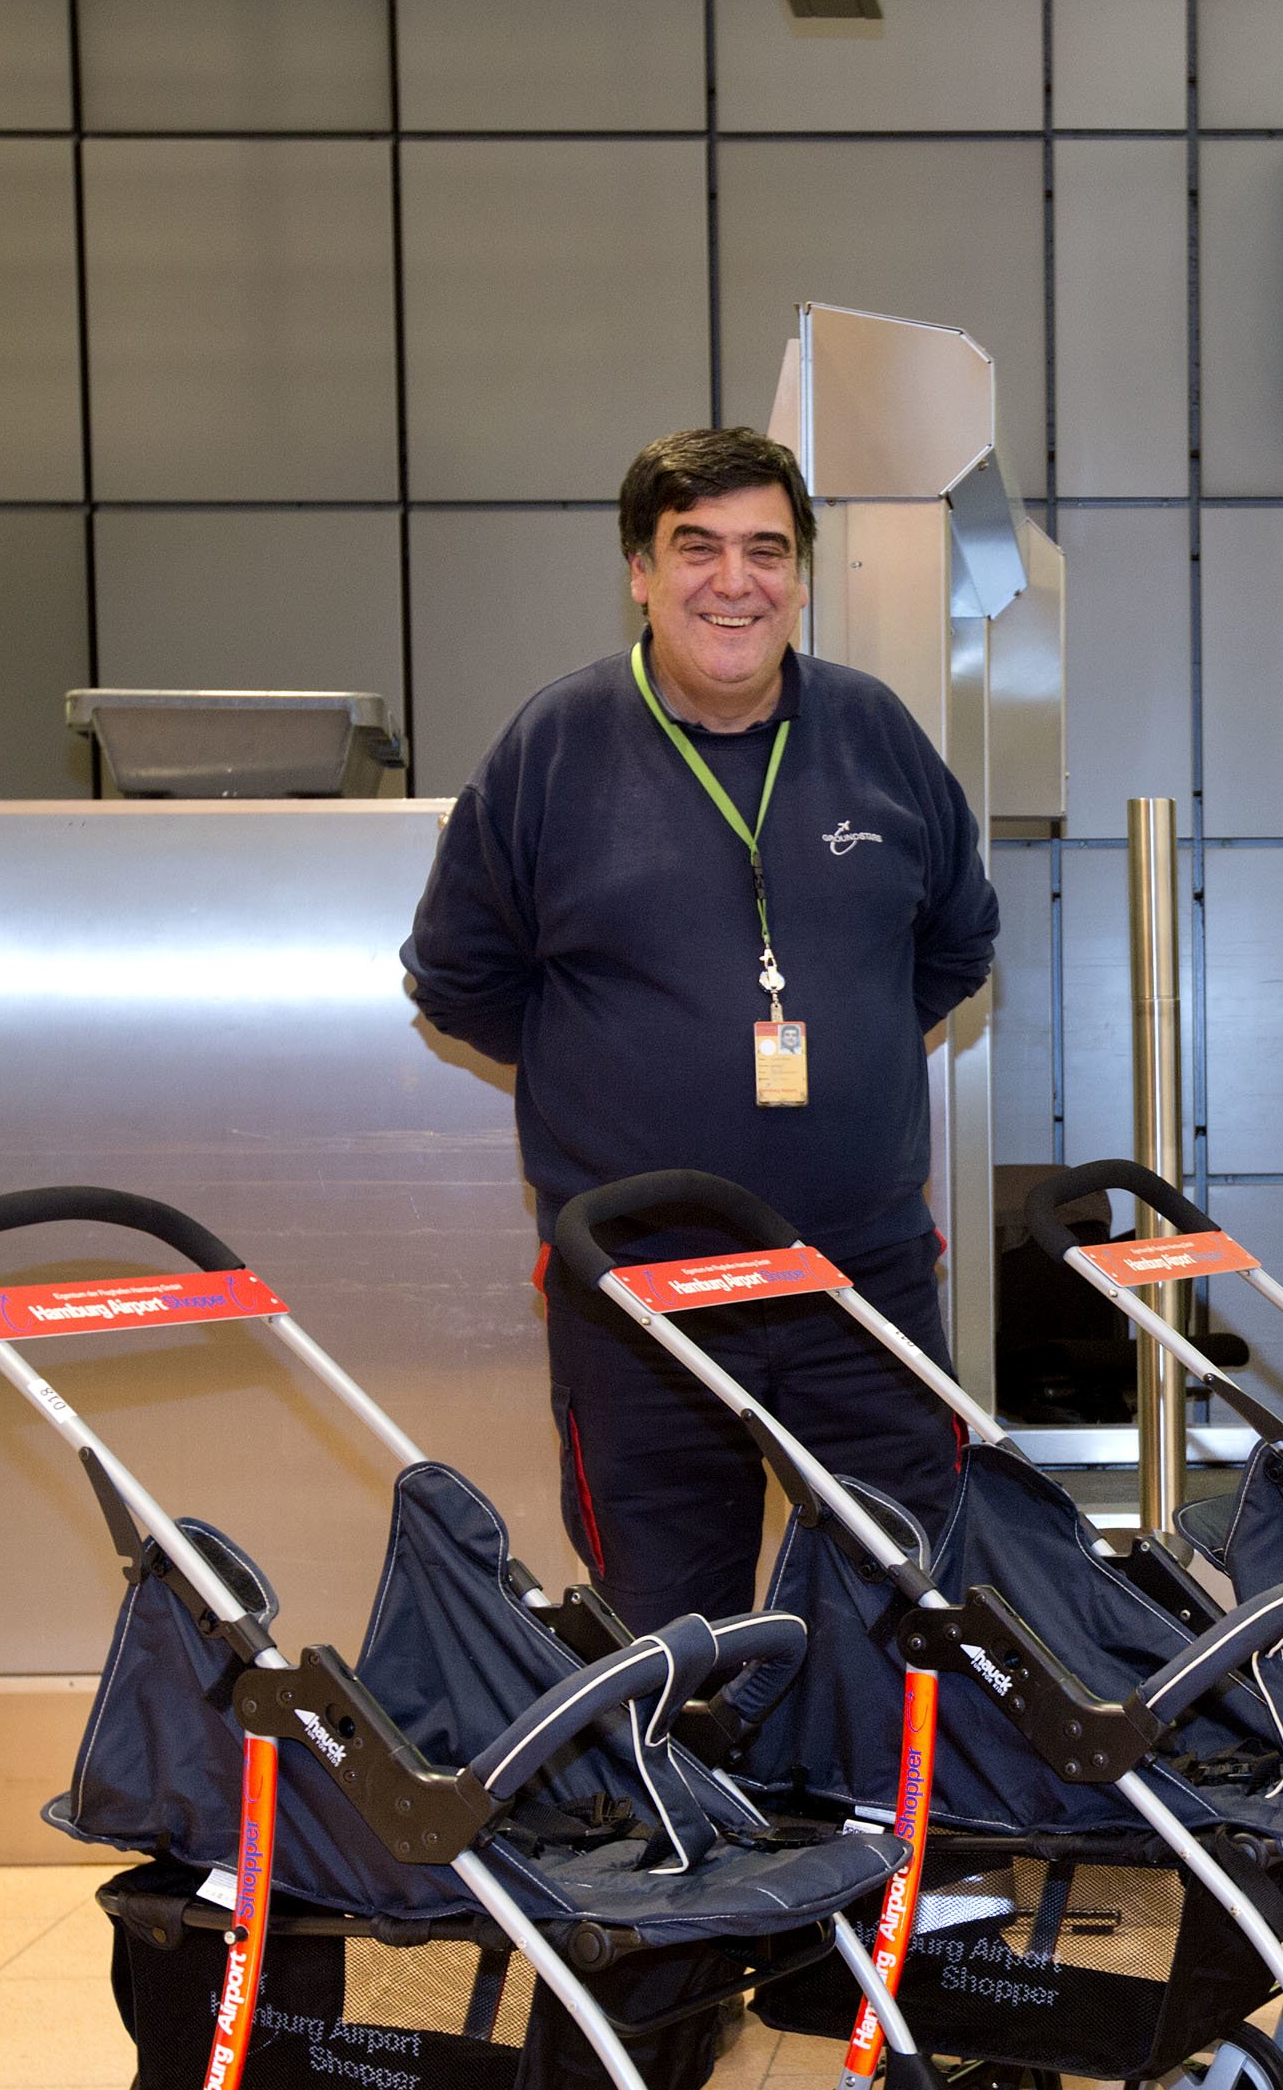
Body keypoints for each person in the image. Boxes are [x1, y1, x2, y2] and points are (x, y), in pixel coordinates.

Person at [403, 425, 997, 1635]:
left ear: (803, 574)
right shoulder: (552, 750)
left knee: (911, 1610)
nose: (736, 582)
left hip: (859, 1284)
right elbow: (460, 979)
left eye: (767, 551)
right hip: (642, 1295)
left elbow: (954, 944)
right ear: (639, 569)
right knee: (672, 1630)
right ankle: (697, 1828)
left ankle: (886, 1825)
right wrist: (618, 1069)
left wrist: (856, 1041)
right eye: (698, 549)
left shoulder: (875, 734)